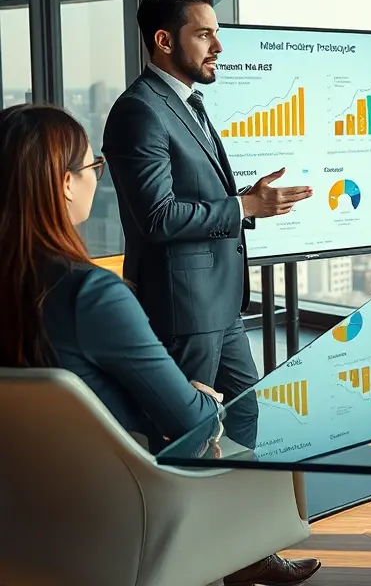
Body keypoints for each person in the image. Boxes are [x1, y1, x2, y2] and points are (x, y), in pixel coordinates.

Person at [0, 104, 321, 586]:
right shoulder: (90, 295)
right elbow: (189, 422)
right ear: (65, 184)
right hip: (130, 520)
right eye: (93, 166)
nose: (98, 179)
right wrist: (202, 397)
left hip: (26, 523)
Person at [102, 0, 312, 453]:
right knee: (187, 433)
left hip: (219, 304)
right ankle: (185, 522)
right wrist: (242, 207)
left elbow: (193, 195)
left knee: (245, 410)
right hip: (183, 307)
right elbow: (157, 217)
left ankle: (238, 515)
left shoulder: (185, 103)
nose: (218, 46)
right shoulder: (140, 111)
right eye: (204, 35)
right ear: (164, 40)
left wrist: (245, 199)